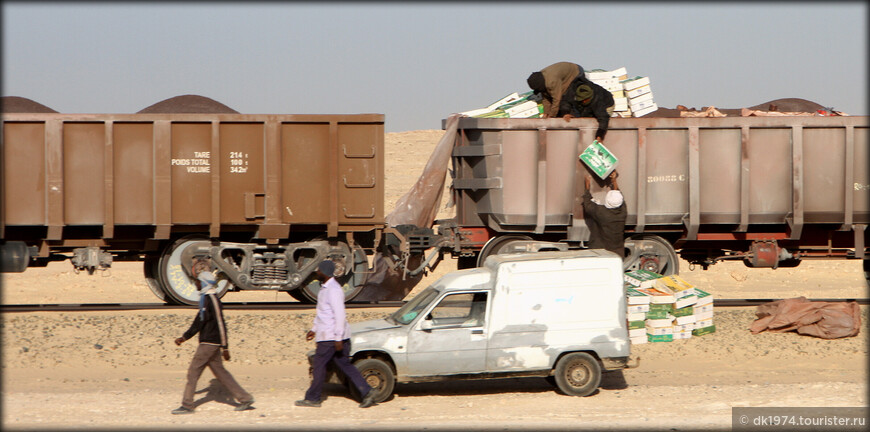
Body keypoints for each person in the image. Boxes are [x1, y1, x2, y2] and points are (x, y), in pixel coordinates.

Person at [171, 257, 254, 415]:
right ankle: (245, 398)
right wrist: (184, 337)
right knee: (220, 372)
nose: (195, 284)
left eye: (197, 281)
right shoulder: (204, 300)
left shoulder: (213, 300)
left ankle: (187, 404)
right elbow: (198, 322)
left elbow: (221, 324)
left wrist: (225, 347)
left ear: (204, 283)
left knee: (193, 372)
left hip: (210, 344)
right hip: (210, 343)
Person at [295, 260, 377, 408]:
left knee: (319, 366)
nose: (317, 273)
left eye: (319, 270)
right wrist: (314, 329)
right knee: (345, 365)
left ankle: (313, 398)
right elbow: (323, 313)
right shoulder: (326, 288)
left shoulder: (333, 290)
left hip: (330, 337)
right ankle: (367, 391)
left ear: (325, 272)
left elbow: (339, 314)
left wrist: (338, 338)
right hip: (330, 335)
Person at [582, 170, 627, 257]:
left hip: (601, 251)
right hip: (617, 251)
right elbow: (619, 196)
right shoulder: (623, 212)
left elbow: (587, 204)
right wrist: (614, 180)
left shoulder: (602, 213)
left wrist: (587, 186)